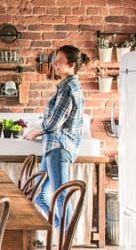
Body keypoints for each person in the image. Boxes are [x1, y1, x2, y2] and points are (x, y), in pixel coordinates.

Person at [23, 45, 90, 228]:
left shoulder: (69, 88)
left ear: (72, 65)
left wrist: (35, 131)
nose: (55, 64)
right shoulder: (66, 87)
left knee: (60, 194)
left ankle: (65, 240)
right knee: (37, 193)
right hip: (53, 148)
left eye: (59, 61)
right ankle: (62, 231)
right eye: (55, 60)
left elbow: (54, 123)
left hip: (59, 148)